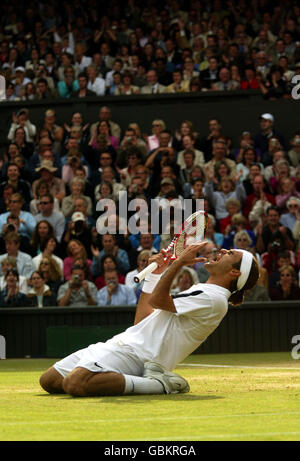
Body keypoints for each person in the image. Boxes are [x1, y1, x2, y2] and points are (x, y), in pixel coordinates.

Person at [40, 243, 259, 396]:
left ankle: (157, 385)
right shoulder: (204, 291)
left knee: (75, 383)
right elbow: (143, 318)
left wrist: (175, 264)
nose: (222, 250)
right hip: (124, 343)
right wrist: (156, 274)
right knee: (49, 381)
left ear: (234, 273)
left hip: (142, 357)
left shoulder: (214, 298)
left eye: (230, 253)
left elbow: (158, 299)